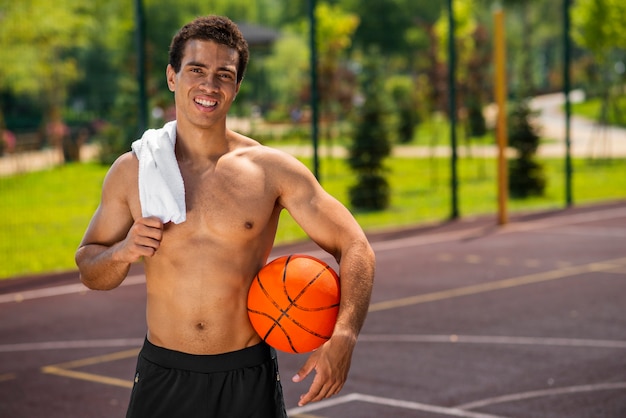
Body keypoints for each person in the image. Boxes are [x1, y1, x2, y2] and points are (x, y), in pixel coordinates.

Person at [75, 15, 375, 418]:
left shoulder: (271, 171)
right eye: (196, 70)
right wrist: (122, 252)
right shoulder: (135, 171)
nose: (209, 85)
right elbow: (89, 267)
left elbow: (356, 245)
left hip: (246, 375)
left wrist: (345, 335)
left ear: (236, 86)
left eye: (224, 74)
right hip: (165, 374)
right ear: (172, 76)